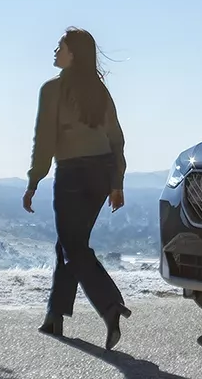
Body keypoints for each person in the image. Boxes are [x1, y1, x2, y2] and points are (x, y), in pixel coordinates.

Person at [21, 26, 132, 352]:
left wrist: (33, 181)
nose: (55, 51)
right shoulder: (100, 91)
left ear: (73, 54)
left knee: (73, 246)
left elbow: (44, 141)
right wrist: (116, 182)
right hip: (101, 174)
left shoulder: (52, 90)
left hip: (72, 175)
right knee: (70, 243)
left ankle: (110, 305)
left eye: (60, 46)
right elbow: (116, 140)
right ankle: (54, 316)